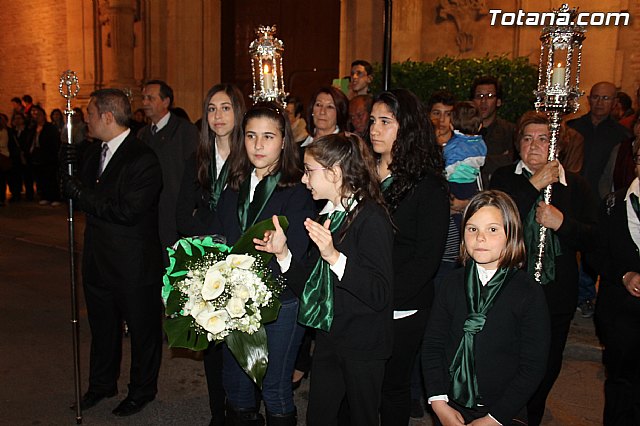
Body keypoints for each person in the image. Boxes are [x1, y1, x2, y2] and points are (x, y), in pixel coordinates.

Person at [254, 132, 394, 426]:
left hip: (363, 345)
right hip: (331, 337)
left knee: (362, 418)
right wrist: (283, 254)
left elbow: (379, 293)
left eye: (309, 171)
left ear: (334, 172)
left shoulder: (371, 217)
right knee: (320, 416)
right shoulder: (327, 216)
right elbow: (311, 285)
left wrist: (334, 256)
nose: (304, 180)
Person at [60, 88, 163, 417]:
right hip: (97, 261)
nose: (86, 120)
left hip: (133, 264)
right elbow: (73, 193)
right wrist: (67, 164)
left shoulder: (142, 158)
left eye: (89, 114)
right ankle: (102, 384)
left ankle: (142, 390)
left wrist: (83, 194)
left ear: (107, 116)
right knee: (103, 329)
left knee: (143, 331)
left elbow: (127, 211)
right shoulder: (93, 153)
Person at [490, 111, 598, 426]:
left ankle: (531, 416)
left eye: (542, 139)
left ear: (557, 147)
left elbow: (594, 238)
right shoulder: (504, 178)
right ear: (517, 144)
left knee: (545, 363)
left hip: (556, 293)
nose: (534, 146)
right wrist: (533, 185)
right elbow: (495, 221)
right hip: (507, 288)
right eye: (527, 138)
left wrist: (562, 223)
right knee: (504, 358)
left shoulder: (576, 186)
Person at [212, 102, 315, 425]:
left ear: (284, 141)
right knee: (237, 384)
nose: (258, 145)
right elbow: (222, 233)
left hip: (280, 303)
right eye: (252, 136)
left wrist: (278, 249)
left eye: (268, 137)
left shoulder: (298, 189)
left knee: (274, 386)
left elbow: (299, 255)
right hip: (235, 300)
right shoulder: (234, 183)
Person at [422, 190, 551, 425]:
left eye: (492, 229)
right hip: (451, 404)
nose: (480, 238)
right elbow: (433, 344)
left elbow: (533, 365)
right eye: (472, 229)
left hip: (504, 409)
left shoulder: (527, 292)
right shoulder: (452, 283)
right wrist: (438, 402)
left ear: (510, 235)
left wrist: (494, 418)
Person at [368, 89, 449, 425]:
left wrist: (381, 298)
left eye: (385, 121)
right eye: (373, 120)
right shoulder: (363, 175)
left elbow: (426, 260)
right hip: (360, 296)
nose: (374, 128)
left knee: (392, 388)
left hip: (401, 306)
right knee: (356, 384)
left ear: (409, 127)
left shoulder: (428, 186)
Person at [175, 83, 246, 426]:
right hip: (207, 260)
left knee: (243, 341)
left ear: (238, 112)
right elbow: (180, 213)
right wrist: (208, 237)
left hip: (243, 261)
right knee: (214, 342)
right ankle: (219, 412)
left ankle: (244, 409)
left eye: (226, 108)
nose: (218, 116)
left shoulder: (250, 157)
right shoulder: (198, 159)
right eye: (212, 109)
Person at [567, 81, 632, 318]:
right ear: (588, 99)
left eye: (605, 99)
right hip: (572, 198)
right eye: (595, 97)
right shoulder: (573, 127)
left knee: (593, 249)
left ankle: (586, 294)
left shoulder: (620, 135)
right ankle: (573, 292)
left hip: (601, 201)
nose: (599, 103)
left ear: (614, 102)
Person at [593, 143, 640, 425]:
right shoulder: (613, 204)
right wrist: (624, 274)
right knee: (621, 387)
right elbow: (596, 252)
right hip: (620, 316)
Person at [138, 79, 198, 263]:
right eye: (143, 98)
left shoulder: (185, 131)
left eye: (150, 98)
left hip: (175, 213)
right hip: (149, 215)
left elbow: (196, 172)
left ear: (166, 102)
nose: (145, 103)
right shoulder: (142, 135)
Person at [445, 101, 487, 230]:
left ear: (451, 125)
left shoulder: (453, 145)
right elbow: (482, 162)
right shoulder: (481, 144)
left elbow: (448, 164)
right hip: (472, 185)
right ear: (480, 126)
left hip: (453, 184)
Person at [470, 76, 515, 188]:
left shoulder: (510, 131)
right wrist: (498, 159)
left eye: (489, 96)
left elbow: (512, 163)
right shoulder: (464, 132)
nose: (483, 101)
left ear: (498, 102)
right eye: (479, 96)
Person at [29, 105, 61, 206]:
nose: (37, 117)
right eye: (35, 115)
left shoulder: (50, 127)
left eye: (39, 114)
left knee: (51, 177)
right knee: (41, 177)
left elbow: (54, 142)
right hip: (38, 156)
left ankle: (54, 197)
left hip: (49, 155)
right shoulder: (33, 128)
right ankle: (45, 196)